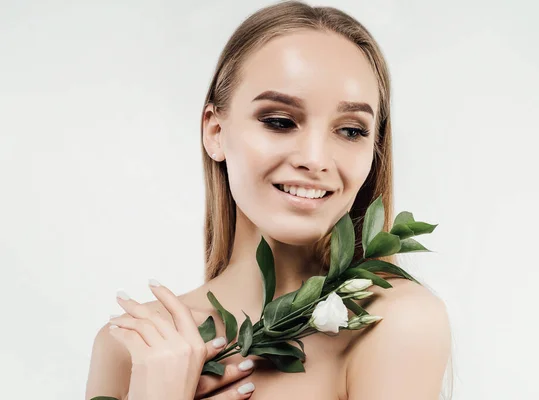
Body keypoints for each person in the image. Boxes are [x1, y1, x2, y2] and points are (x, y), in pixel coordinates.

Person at [85, 1, 452, 399]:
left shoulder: (396, 321)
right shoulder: (133, 345)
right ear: (215, 131)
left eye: (350, 130)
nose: (314, 159)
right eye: (279, 122)